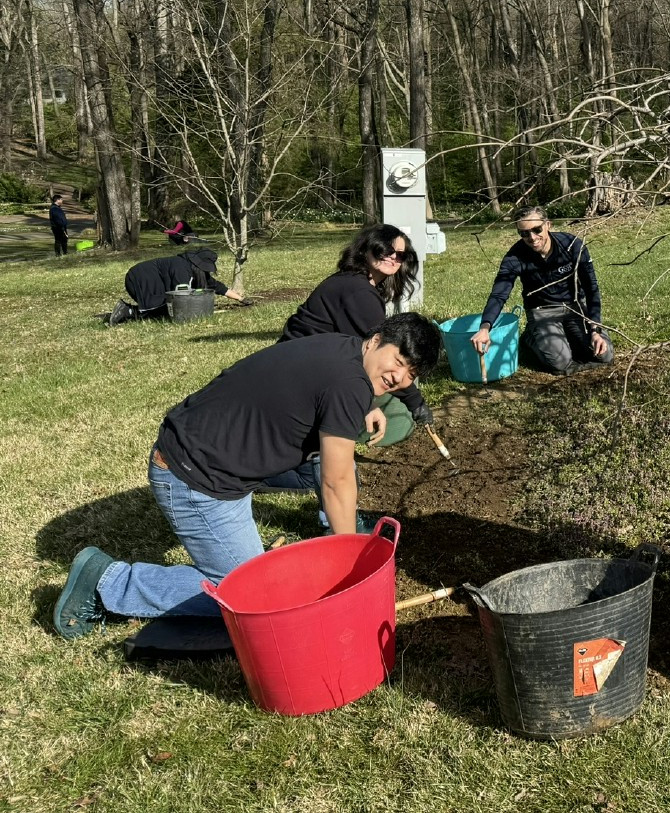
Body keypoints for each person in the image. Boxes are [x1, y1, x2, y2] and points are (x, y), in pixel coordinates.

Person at [52, 313, 443, 638]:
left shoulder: (344, 353)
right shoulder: (348, 383)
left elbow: (327, 405)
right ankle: (108, 582)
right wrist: (349, 562)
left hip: (211, 452)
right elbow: (334, 481)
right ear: (376, 340)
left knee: (340, 463)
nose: (399, 376)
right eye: (398, 361)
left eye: (411, 373)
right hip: (196, 478)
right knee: (252, 600)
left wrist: (365, 407)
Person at [265, 226, 433, 506]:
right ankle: (281, 468)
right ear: (366, 249)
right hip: (301, 382)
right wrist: (414, 402)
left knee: (394, 414)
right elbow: (381, 360)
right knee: (397, 420)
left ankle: (315, 450)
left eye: (400, 255)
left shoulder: (354, 283)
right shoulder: (359, 293)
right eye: (385, 250)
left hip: (301, 368)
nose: (393, 258)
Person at [470, 207, 614, 375]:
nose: (531, 237)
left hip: (575, 307)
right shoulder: (514, 257)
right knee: (559, 364)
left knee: (605, 355)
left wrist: (595, 329)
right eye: (524, 233)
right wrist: (485, 327)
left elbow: (591, 288)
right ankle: (531, 338)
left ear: (548, 225)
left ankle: (570, 336)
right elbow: (499, 293)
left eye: (537, 230)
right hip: (542, 311)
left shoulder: (572, 245)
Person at [108, 248, 243, 325]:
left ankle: (128, 311)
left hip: (142, 279)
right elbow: (181, 297)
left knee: (164, 310)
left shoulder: (193, 270)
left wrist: (240, 299)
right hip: (139, 279)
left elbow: (217, 286)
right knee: (165, 308)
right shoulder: (181, 268)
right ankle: (127, 311)